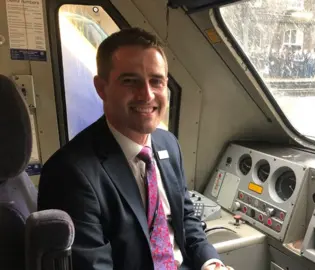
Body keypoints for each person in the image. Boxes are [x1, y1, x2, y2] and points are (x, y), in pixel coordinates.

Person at [37, 27, 233, 270]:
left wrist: (210, 263)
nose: (147, 94)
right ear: (101, 88)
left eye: (157, 81)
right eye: (131, 81)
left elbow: (186, 220)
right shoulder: (70, 173)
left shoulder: (168, 145)